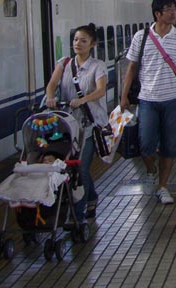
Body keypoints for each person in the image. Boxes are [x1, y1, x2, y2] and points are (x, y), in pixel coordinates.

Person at [120, 0, 176, 205]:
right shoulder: (141, 37)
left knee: (170, 145)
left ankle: (163, 186)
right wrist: (123, 96)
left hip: (173, 100)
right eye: (169, 9)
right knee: (146, 143)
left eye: (174, 9)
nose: (174, 13)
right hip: (147, 99)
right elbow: (131, 67)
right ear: (157, 14)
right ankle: (151, 168)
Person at [44, 23, 107, 221]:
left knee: (80, 167)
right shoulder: (63, 63)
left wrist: (82, 99)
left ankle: (77, 215)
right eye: (75, 40)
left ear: (93, 44)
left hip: (89, 124)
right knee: (68, 166)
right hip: (66, 125)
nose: (78, 44)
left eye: (83, 40)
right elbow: (52, 85)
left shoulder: (98, 66)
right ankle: (91, 197)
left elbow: (101, 90)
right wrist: (50, 97)